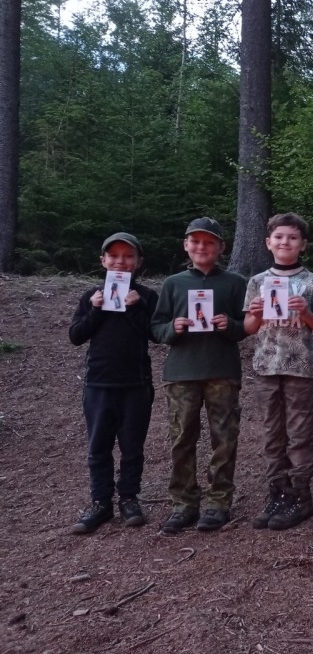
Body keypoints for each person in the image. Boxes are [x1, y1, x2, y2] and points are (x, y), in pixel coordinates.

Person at [151, 217, 248, 535]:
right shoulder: (173, 283)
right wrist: (173, 328)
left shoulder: (235, 282)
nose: (202, 247)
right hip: (182, 372)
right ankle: (184, 503)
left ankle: (218, 502)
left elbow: (246, 327)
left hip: (222, 371)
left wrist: (229, 325)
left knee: (224, 439)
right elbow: (156, 327)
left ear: (221, 247)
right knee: (182, 439)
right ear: (186, 245)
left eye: (209, 242)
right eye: (195, 241)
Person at [68, 232, 158, 534]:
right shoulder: (91, 296)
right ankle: (100, 502)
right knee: (98, 447)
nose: (121, 261)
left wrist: (137, 307)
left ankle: (129, 499)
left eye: (128, 256)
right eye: (114, 256)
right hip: (98, 383)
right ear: (103, 261)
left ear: (138, 262)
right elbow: (76, 336)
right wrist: (95, 308)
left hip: (136, 384)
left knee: (132, 447)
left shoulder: (147, 296)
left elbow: (155, 334)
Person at [243, 213, 313, 531]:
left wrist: (305, 312)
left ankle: (300, 495)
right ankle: (277, 493)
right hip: (266, 367)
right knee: (272, 434)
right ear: (268, 242)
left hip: (300, 368)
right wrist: (255, 314)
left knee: (299, 435)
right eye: (279, 237)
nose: (285, 242)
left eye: (292, 238)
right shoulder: (257, 282)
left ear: (302, 244)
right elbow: (249, 328)